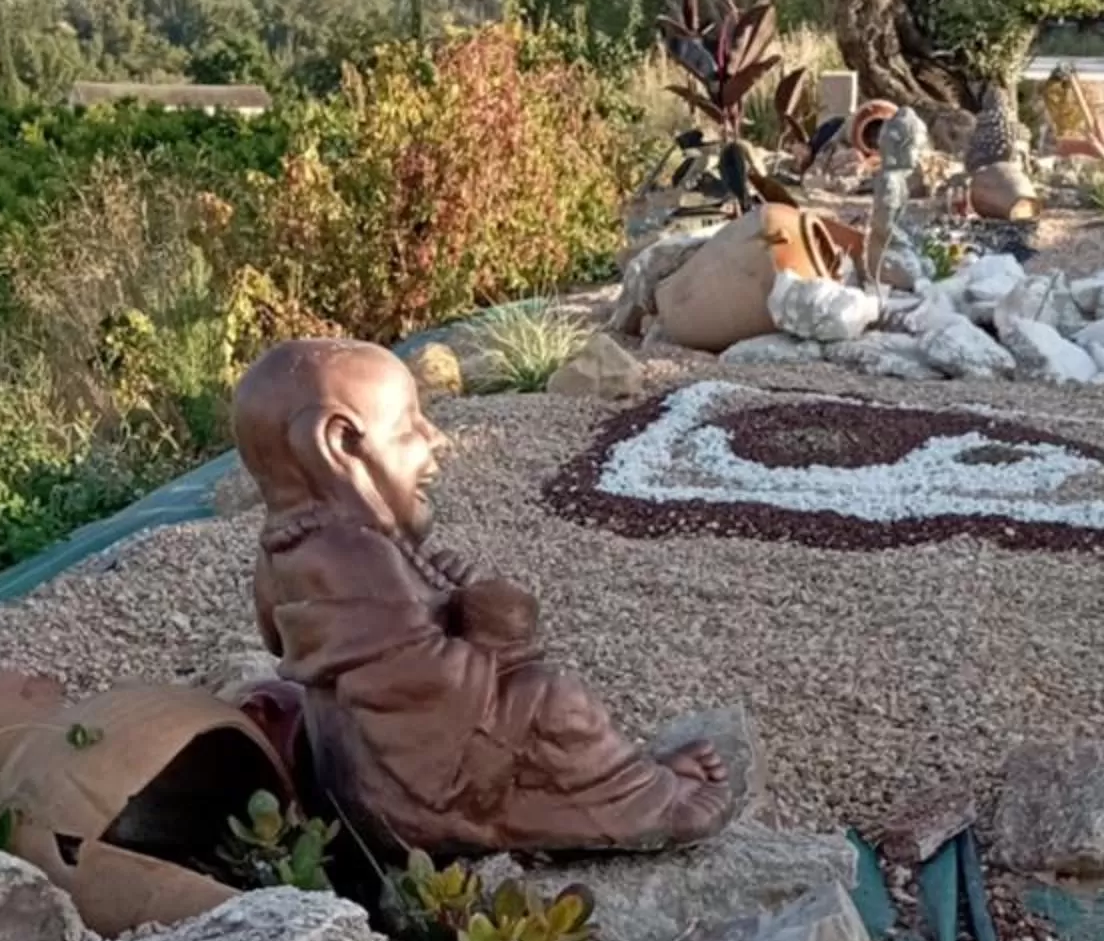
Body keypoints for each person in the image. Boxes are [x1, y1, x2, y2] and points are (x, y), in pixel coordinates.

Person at [232, 338, 734, 858]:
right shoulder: (350, 554)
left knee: (537, 702)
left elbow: (314, 640)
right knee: (553, 699)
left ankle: (623, 785)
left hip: (359, 776)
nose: (436, 438)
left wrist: (449, 599)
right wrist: (496, 635)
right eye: (408, 428)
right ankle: (643, 802)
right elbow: (419, 684)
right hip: (411, 795)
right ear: (338, 445)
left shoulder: (291, 548)